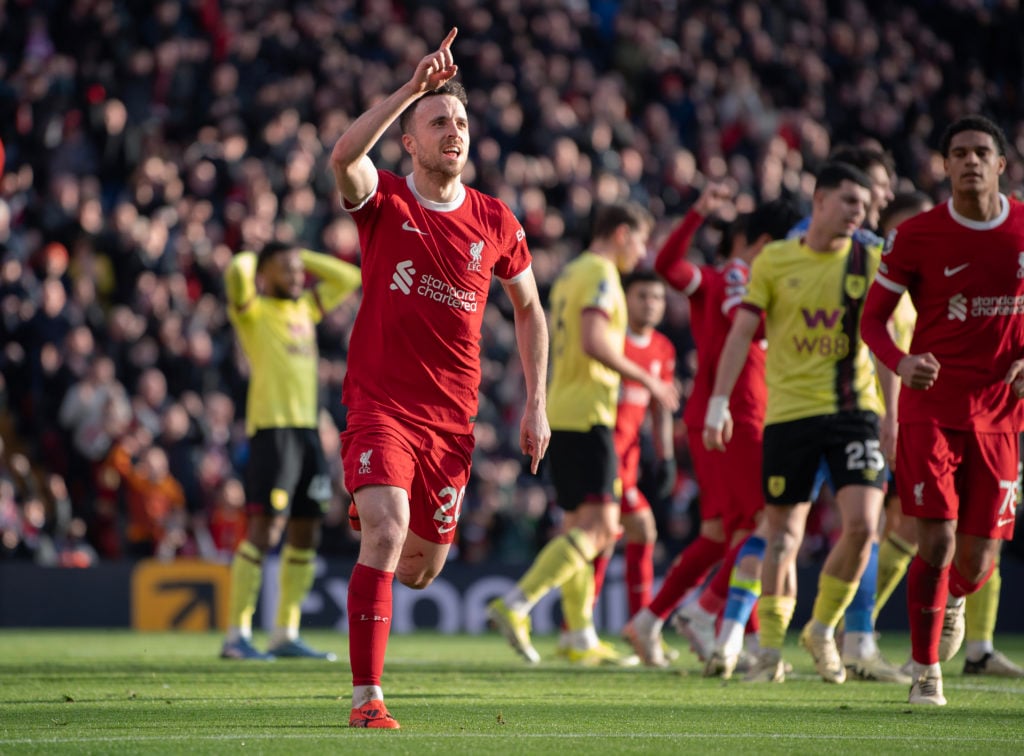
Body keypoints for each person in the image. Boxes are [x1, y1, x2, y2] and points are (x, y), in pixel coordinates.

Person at [330, 29, 550, 729]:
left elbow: (531, 312)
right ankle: (368, 699)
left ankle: (372, 508)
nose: (452, 131)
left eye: (459, 122)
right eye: (438, 122)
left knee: (422, 567)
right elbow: (342, 157)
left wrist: (535, 403)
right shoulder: (385, 201)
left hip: (451, 422)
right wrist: (410, 90)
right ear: (410, 140)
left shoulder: (497, 221)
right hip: (380, 407)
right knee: (388, 532)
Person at [704, 162, 893, 684]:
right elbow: (741, 334)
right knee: (782, 537)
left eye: (865, 204)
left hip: (854, 413)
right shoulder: (775, 261)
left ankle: (823, 628)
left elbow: (885, 344)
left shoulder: (872, 260)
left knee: (862, 525)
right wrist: (719, 404)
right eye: (851, 202)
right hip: (788, 414)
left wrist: (892, 417)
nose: (861, 213)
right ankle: (768, 651)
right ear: (820, 202)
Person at [860, 115, 1024, 705]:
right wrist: (900, 363)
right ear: (945, 165)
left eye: (982, 151)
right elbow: (871, 319)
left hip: (1002, 414)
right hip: (930, 408)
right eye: (959, 153)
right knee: (935, 538)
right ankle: (925, 669)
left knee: (978, 560)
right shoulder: (917, 236)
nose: (971, 161)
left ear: (1001, 165)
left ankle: (954, 596)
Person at [488, 200, 679, 667]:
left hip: (564, 407)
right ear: (620, 234)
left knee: (577, 528)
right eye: (639, 239)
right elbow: (594, 343)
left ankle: (579, 635)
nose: (641, 251)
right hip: (589, 411)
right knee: (602, 527)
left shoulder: (573, 273)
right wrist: (649, 379)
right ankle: (516, 603)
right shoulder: (599, 275)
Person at [623, 188, 800, 668]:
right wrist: (698, 212)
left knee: (722, 532)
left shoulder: (737, 279)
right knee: (765, 522)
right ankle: (713, 618)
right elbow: (668, 264)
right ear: (766, 241)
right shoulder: (730, 278)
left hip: (724, 411)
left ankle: (655, 618)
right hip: (737, 414)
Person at [219, 240, 361, 662]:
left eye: (300, 270)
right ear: (264, 274)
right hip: (272, 433)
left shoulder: (305, 309)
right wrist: (256, 253)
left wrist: (300, 255)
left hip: (307, 435)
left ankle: (285, 633)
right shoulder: (253, 311)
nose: (298, 275)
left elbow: (349, 278)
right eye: (287, 269)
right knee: (265, 530)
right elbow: (235, 272)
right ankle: (236, 635)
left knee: (306, 531)